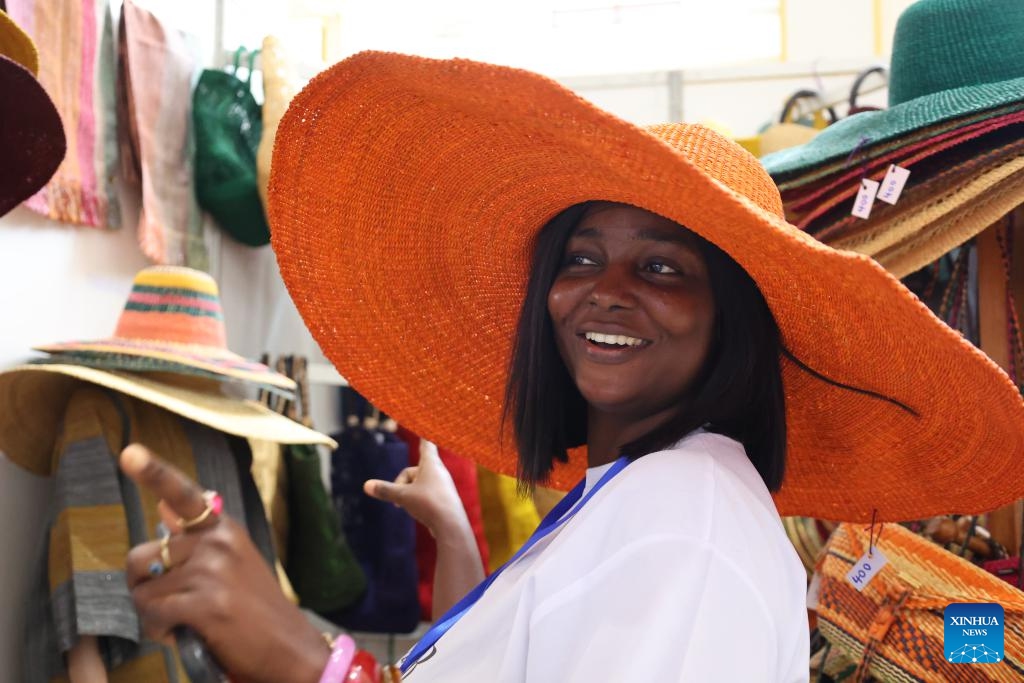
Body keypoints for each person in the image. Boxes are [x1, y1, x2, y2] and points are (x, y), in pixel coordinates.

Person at [117, 52, 1024, 683]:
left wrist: (304, 656)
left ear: (733, 321)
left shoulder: (685, 516)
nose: (604, 291)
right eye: (579, 257)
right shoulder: (640, 492)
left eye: (664, 267)